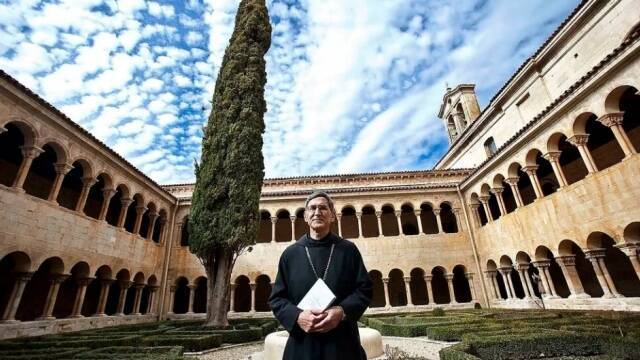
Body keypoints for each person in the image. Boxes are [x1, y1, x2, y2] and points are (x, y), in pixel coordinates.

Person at [269, 191, 373, 360]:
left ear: (332, 216)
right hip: (302, 345)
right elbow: (277, 299)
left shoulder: (348, 251)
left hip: (342, 344)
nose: (317, 212)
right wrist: (298, 317)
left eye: (323, 208)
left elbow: (365, 289)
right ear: (305, 216)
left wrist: (342, 311)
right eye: (312, 208)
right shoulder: (290, 254)